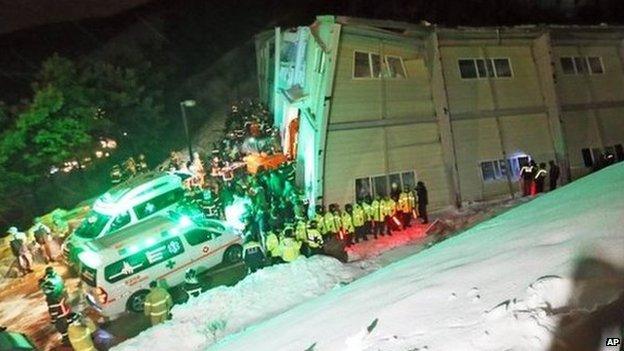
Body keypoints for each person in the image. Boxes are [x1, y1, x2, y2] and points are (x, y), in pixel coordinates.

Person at [40, 267, 71, 344]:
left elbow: (53, 311)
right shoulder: (58, 277)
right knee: (67, 323)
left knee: (62, 328)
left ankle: (66, 339)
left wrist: (53, 320)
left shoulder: (51, 299)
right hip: (63, 301)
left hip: (60, 317)